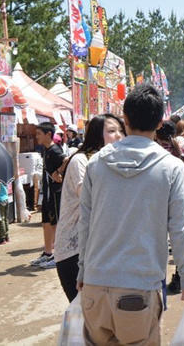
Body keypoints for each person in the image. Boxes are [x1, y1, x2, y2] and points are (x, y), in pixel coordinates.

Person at [77, 84, 184, 345]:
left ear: (125, 118)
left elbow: (85, 223)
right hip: (139, 288)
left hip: (94, 287)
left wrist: (82, 272)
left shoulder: (96, 164)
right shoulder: (171, 168)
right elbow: (181, 229)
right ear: (159, 123)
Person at [54, 114, 124, 302]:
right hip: (74, 250)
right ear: (95, 134)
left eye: (121, 131)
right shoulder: (81, 161)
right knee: (87, 316)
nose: (118, 136)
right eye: (111, 131)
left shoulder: (111, 162)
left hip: (99, 249)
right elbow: (90, 197)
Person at [31, 122, 66, 270]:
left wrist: (58, 173)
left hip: (55, 194)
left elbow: (67, 160)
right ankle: (47, 252)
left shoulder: (55, 150)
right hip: (47, 194)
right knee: (46, 222)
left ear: (48, 135)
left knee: (55, 224)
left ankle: (58, 256)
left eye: (39, 134)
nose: (36, 137)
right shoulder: (46, 150)